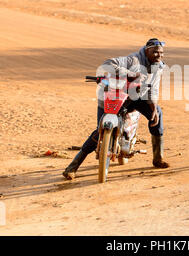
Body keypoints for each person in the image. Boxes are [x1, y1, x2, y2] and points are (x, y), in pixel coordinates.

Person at [63, 38, 169, 180]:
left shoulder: (158, 67)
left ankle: (158, 158)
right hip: (113, 96)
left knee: (157, 115)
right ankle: (73, 166)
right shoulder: (133, 60)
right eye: (155, 52)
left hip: (136, 97)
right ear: (146, 50)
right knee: (99, 129)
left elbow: (154, 89)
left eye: (161, 53)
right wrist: (130, 74)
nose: (159, 55)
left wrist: (154, 107)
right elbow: (107, 64)